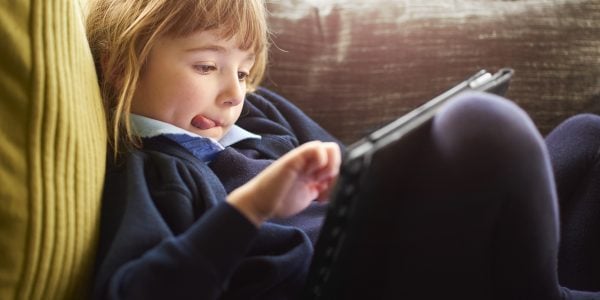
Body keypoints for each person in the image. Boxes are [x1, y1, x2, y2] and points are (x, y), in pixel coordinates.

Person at [85, 0, 600, 299]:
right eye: (205, 66)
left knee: (586, 137)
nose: (233, 94)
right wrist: (253, 206)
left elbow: (354, 171)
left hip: (395, 234)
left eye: (243, 72)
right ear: (118, 65)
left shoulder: (262, 115)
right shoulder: (153, 169)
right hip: (349, 282)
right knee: (482, 123)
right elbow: (135, 291)